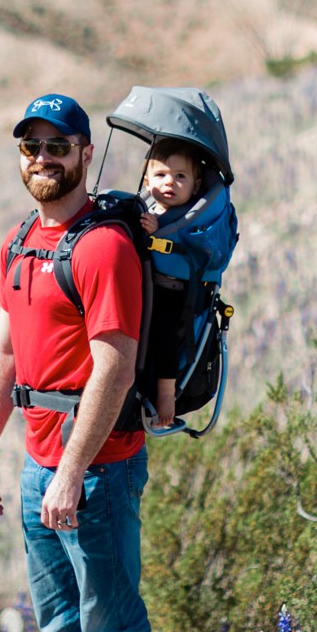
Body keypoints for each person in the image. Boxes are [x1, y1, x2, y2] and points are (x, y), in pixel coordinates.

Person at [0, 93, 171, 632]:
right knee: (61, 622)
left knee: (115, 629)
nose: (43, 159)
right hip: (37, 465)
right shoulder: (22, 240)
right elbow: (3, 351)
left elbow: (113, 367)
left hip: (96, 468)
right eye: (32, 147)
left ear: (87, 154)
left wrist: (71, 470)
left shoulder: (104, 247)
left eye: (59, 146)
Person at [137, 141, 205, 428]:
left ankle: (166, 393)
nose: (170, 183)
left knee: (164, 334)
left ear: (196, 186)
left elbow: (194, 249)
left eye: (181, 176)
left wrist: (159, 232)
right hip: (145, 287)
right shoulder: (148, 208)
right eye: (161, 175)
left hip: (173, 293)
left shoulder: (192, 216)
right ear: (146, 181)